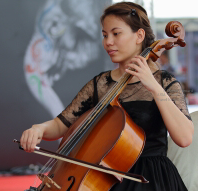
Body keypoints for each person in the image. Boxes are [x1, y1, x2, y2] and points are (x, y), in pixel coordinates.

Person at [20, 2, 194, 191]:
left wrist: (153, 86)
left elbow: (184, 138)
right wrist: (39, 129)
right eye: (104, 35)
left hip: (152, 180)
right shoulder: (99, 84)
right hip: (104, 179)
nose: (108, 42)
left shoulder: (165, 83)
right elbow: (61, 124)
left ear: (139, 35)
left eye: (116, 33)